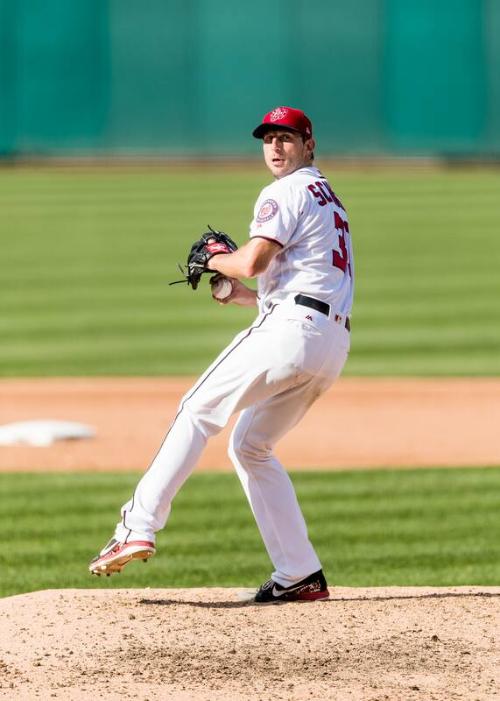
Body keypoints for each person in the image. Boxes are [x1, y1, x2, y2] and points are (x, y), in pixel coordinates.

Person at [89, 106, 354, 603]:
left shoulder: (285, 191)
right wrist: (243, 298)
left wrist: (213, 257)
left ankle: (137, 525)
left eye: (287, 138)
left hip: (296, 330)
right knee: (251, 445)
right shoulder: (329, 199)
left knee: (196, 408)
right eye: (268, 139)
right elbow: (304, 287)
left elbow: (253, 261)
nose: (276, 147)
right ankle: (299, 572)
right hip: (329, 343)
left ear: (309, 144)